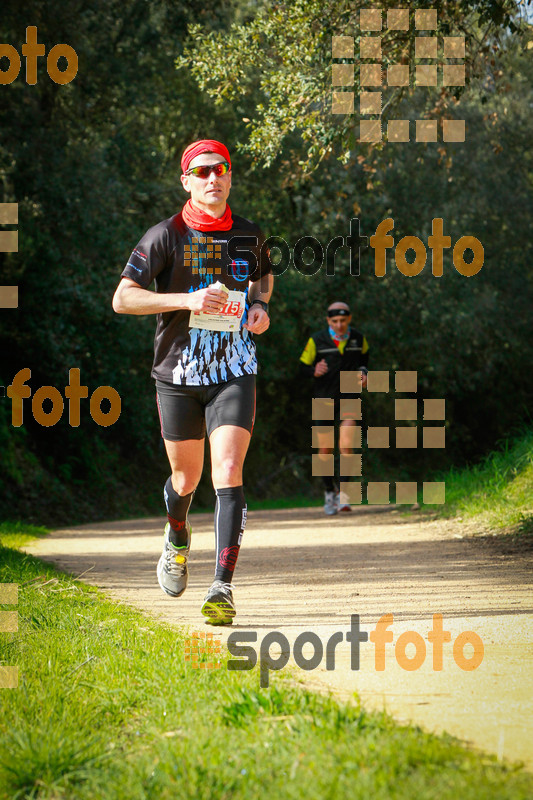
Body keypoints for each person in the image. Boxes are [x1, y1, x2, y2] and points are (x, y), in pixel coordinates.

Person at [112, 139, 273, 625]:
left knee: (227, 469)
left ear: (230, 176)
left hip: (234, 369)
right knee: (186, 478)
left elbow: (263, 278)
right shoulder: (165, 235)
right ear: (186, 180)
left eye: (220, 169)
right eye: (201, 172)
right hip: (178, 375)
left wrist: (262, 308)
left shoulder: (249, 235)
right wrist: (187, 301)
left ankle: (222, 586)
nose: (212, 178)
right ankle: (177, 535)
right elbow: (123, 299)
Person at [299, 302, 369, 515]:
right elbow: (302, 367)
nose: (339, 325)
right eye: (335, 321)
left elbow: (365, 360)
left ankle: (344, 495)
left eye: (343, 321)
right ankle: (329, 491)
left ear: (349, 319)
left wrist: (364, 373)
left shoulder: (358, 339)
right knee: (325, 450)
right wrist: (314, 370)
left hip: (349, 397)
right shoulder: (316, 339)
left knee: (347, 445)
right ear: (328, 321)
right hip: (324, 399)